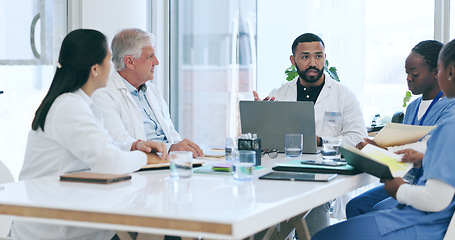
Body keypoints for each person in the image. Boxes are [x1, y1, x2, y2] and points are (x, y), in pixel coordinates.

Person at [11, 29, 168, 240]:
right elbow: (110, 163)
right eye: (110, 61)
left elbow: (103, 147)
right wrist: (146, 159)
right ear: (95, 68)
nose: (113, 69)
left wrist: (134, 146)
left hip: (75, 216)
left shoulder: (79, 103)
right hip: (53, 229)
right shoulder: (68, 107)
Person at [312, 38, 455, 240]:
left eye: (440, 69)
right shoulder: (418, 109)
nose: (408, 79)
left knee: (322, 237)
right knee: (356, 208)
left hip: (425, 218)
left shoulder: (450, 121)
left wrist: (401, 190)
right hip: (429, 209)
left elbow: (436, 199)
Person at [253, 33, 367, 236]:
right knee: (261, 207)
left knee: (315, 203)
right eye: (305, 57)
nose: (313, 63)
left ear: (325, 57)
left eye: (318, 56)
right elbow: (264, 145)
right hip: (283, 172)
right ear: (293, 60)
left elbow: (358, 138)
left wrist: (321, 141)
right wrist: (261, 120)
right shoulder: (279, 94)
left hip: (323, 173)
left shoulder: (344, 95)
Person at [346, 40, 455, 219]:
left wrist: (386, 151)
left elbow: (425, 148)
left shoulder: (450, 107)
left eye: (415, 73)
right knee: (355, 206)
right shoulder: (412, 107)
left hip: (424, 184)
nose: (408, 78)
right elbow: (402, 146)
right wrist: (374, 148)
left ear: (436, 73)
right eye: (406, 73)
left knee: (376, 213)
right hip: (406, 177)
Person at [92, 28, 203, 158]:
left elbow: (171, 134)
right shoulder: (103, 94)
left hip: (167, 162)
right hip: (141, 167)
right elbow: (119, 141)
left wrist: (183, 150)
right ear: (130, 62)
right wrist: (170, 149)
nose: (156, 62)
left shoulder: (152, 91)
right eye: (150, 56)